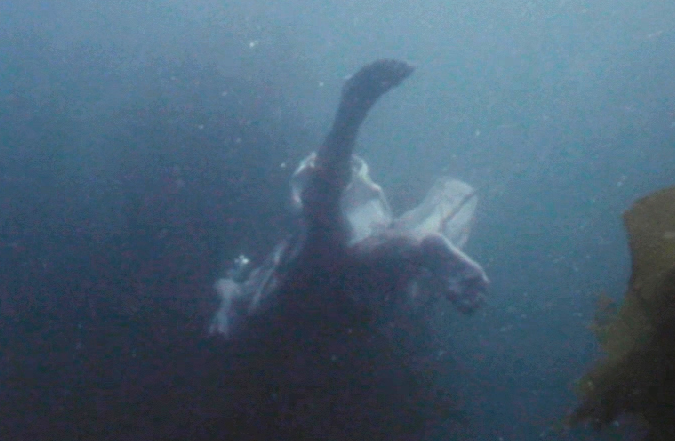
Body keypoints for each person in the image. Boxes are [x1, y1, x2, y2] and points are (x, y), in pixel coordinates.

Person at [209, 56, 489, 340]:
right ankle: (350, 118)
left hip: (313, 303)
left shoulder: (253, 295)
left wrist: (227, 307)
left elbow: (228, 287)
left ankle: (350, 118)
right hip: (350, 286)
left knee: (326, 233)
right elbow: (228, 288)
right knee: (334, 224)